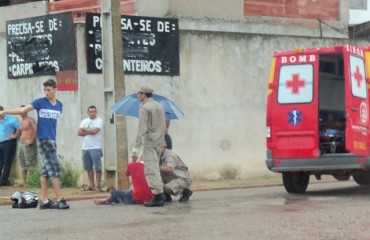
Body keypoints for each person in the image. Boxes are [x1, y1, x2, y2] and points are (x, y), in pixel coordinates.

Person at [0, 79, 69, 210]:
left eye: (49, 90)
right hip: (43, 140)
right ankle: (60, 198)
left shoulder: (59, 105)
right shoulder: (40, 102)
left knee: (46, 172)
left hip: (52, 139)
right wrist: (5, 112)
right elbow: (24, 109)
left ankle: (44, 200)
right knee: (54, 168)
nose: (47, 92)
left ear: (55, 89)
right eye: (45, 90)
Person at [131, 86, 166, 207]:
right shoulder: (159, 106)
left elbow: (142, 128)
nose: (137, 96)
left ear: (144, 94)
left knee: (151, 170)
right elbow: (163, 125)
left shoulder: (144, 107)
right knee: (156, 168)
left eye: (138, 94)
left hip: (150, 141)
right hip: (159, 142)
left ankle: (158, 196)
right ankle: (159, 194)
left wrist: (135, 148)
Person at [9, 105, 37, 186]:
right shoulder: (21, 121)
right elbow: (19, 130)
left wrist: (31, 140)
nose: (21, 112)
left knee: (30, 164)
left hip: (29, 144)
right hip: (22, 144)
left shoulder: (30, 120)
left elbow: (35, 129)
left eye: (23, 110)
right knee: (23, 164)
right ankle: (24, 182)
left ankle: (31, 182)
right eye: (20, 111)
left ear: (26, 111)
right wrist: (14, 136)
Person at [77, 105, 104, 192]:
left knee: (97, 167)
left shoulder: (99, 121)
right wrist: (89, 132)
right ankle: (91, 185)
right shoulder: (84, 121)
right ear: (88, 112)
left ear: (96, 112)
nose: (92, 113)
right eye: (91, 112)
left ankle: (98, 186)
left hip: (95, 147)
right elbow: (79, 133)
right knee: (88, 168)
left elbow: (95, 131)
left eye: (94, 112)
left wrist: (85, 131)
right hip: (85, 148)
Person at [0, 105, 19, 186]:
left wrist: (15, 136)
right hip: (0, 143)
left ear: (3, 111)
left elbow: (19, 127)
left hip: (8, 143)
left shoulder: (11, 119)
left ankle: (4, 180)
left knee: (7, 161)